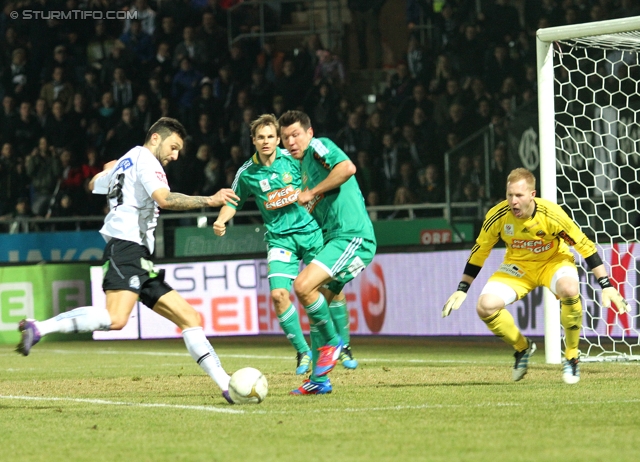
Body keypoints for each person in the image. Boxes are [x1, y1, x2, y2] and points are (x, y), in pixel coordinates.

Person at [16, 117, 241, 404]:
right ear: (156, 138)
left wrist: (108, 170)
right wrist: (209, 200)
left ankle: (226, 384)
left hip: (138, 254)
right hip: (126, 246)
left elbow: (92, 184)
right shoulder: (147, 160)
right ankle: (40, 328)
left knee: (189, 317)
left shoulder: (128, 159)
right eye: (173, 147)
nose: (175, 155)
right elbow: (165, 199)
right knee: (116, 318)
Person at [442, 168, 630, 384]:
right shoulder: (498, 216)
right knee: (485, 306)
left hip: (554, 261)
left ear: (532, 195)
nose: (513, 201)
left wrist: (606, 285)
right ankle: (522, 348)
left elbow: (585, 247)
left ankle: (571, 356)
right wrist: (462, 287)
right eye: (510, 195)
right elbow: (480, 251)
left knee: (569, 289)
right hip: (518, 267)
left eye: (519, 195)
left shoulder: (551, 215)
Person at [213, 114, 358, 377]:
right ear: (253, 141)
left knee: (331, 288)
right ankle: (303, 351)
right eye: (260, 137)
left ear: (278, 139)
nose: (266, 141)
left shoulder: (295, 158)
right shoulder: (247, 173)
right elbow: (233, 200)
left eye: (270, 136)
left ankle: (344, 345)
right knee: (279, 296)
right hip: (280, 239)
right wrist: (221, 220)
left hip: (312, 232)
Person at [278, 110, 377, 395]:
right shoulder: (302, 170)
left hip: (352, 236)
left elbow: (347, 168)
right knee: (316, 305)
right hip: (335, 238)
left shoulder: (319, 146)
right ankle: (319, 379)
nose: (291, 141)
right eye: (286, 138)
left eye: (296, 134)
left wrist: (311, 193)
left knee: (302, 285)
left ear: (309, 133)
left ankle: (335, 344)